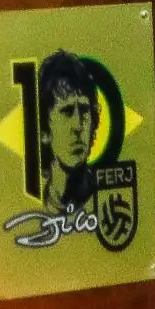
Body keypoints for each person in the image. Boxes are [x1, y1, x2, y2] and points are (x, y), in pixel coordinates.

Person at [37, 49, 99, 213]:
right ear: (44, 131)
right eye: (67, 111)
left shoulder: (102, 195)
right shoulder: (33, 198)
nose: (78, 126)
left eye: (85, 110)